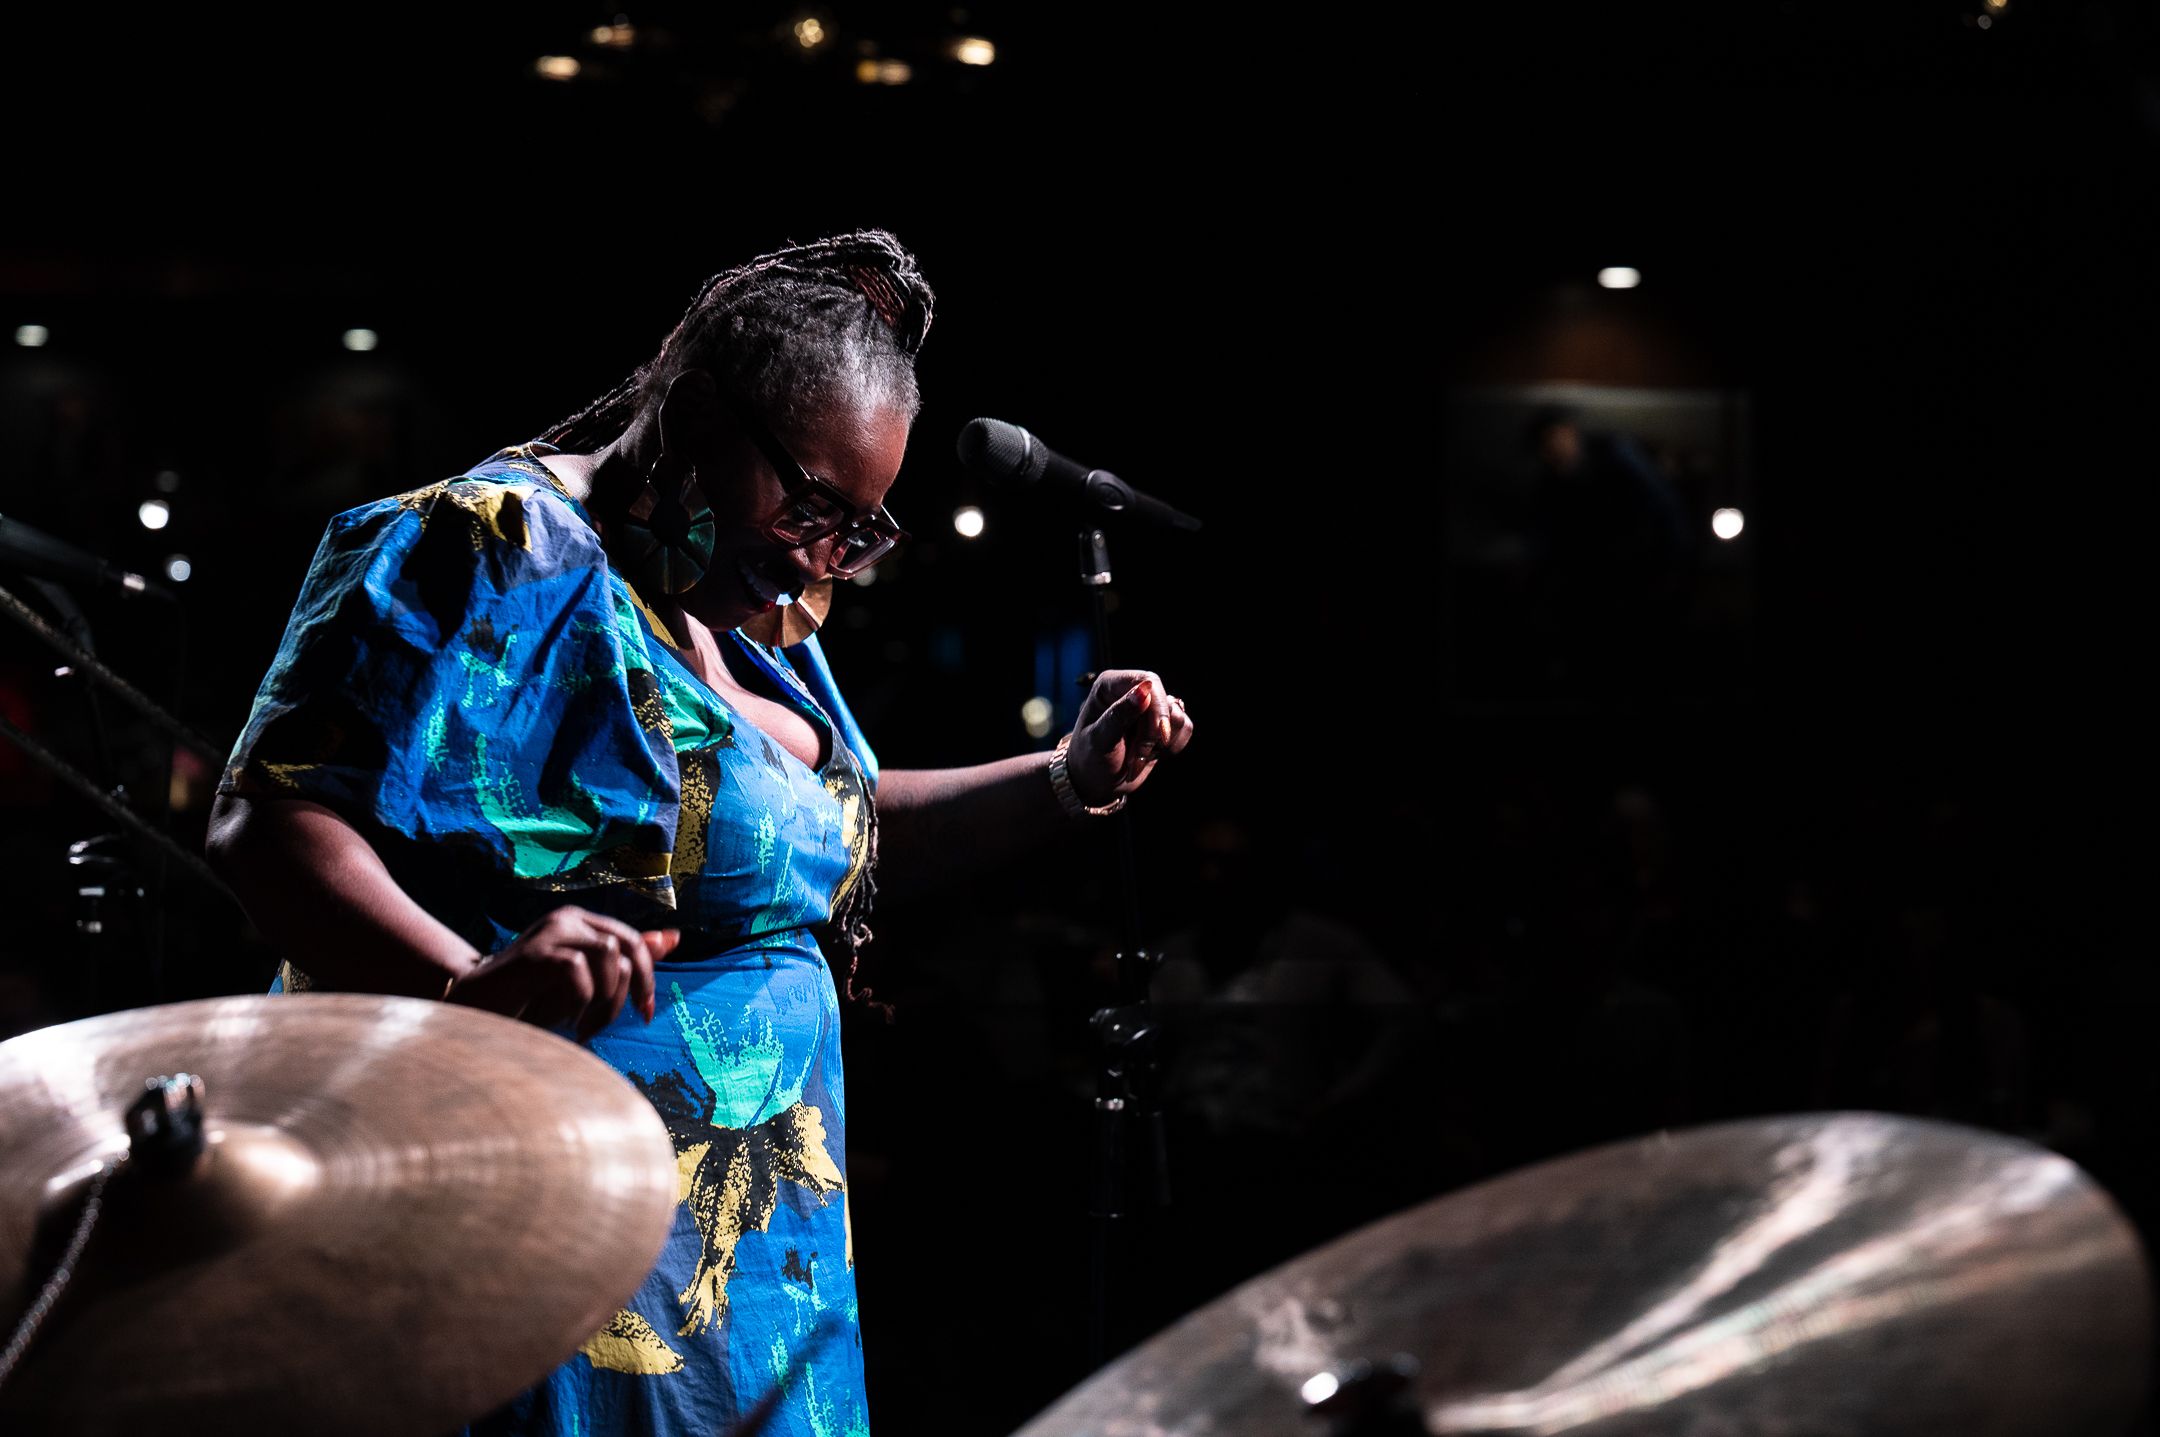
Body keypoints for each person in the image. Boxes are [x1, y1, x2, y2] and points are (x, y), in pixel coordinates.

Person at [203, 230, 1194, 1437]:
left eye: (858, 527)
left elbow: (823, 842)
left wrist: (1065, 777)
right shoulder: (487, 540)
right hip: (542, 1226)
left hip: (752, 1263)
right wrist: (466, 984)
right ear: (695, 415)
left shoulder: (747, 616)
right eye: (811, 506)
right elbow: (272, 819)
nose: (823, 559)